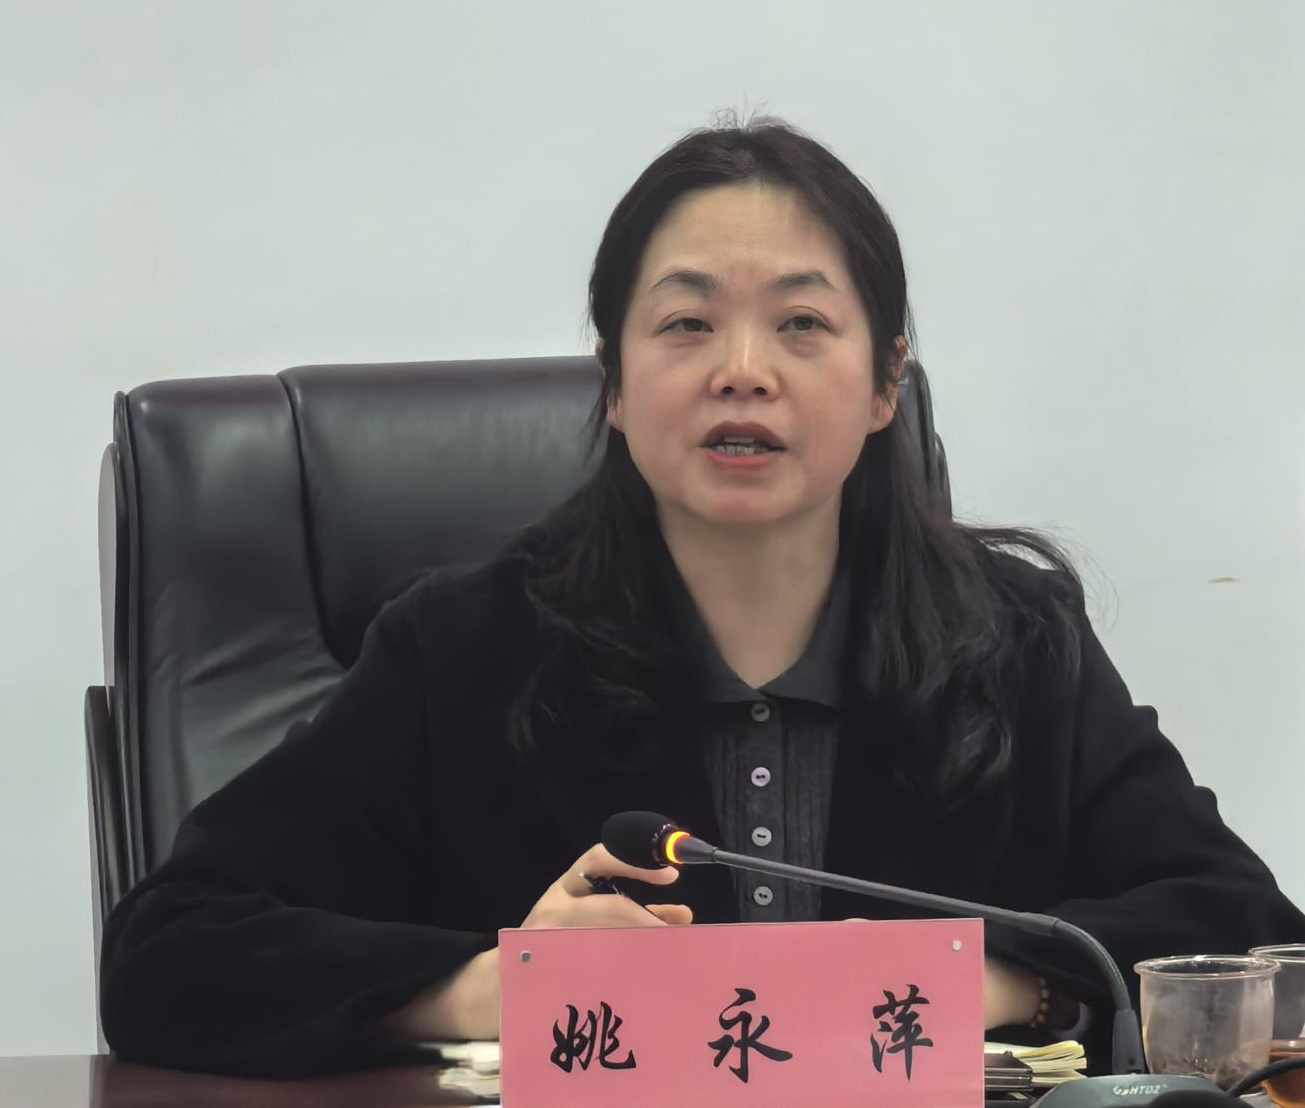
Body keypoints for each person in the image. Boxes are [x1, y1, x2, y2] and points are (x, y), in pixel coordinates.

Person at [98, 117, 1304, 1078]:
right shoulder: (463, 648)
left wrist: (995, 977)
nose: (742, 369)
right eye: (686, 323)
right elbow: (171, 950)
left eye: (802, 323)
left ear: (885, 383)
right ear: (614, 383)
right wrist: (498, 984)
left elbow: (1255, 933)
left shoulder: (1013, 643)